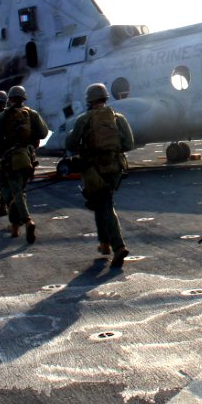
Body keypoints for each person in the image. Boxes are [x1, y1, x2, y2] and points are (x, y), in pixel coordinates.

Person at [65, 83, 134, 267]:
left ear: (89, 100)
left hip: (94, 170)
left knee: (104, 205)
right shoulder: (118, 118)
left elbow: (71, 144)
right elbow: (129, 144)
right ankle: (104, 244)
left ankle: (118, 246)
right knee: (101, 202)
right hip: (115, 168)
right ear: (105, 98)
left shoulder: (84, 119)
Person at [0, 85, 48, 242]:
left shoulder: (2, 116)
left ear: (9, 99)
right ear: (24, 99)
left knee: (13, 193)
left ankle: (27, 221)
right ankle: (15, 229)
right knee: (18, 193)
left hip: (9, 159)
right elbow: (43, 133)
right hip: (27, 159)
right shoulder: (31, 114)